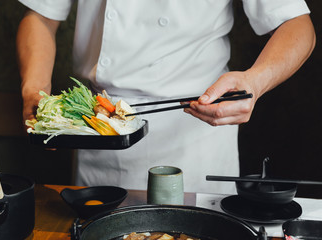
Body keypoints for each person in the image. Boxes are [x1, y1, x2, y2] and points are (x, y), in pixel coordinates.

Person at [17, 1, 315, 194]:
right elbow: (41, 17)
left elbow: (297, 25)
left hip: (194, 132)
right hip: (99, 128)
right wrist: (35, 87)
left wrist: (255, 81)